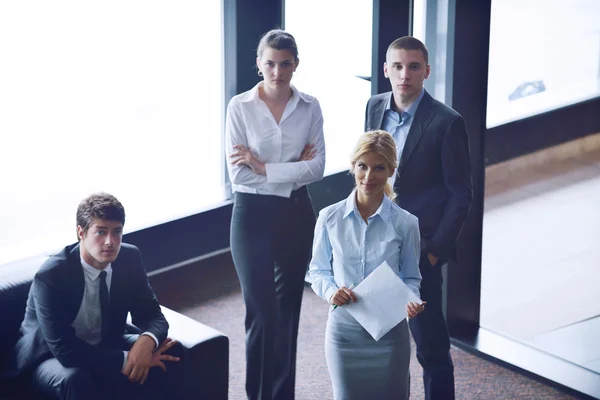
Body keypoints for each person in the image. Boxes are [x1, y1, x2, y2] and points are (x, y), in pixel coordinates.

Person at [365, 36, 473, 400]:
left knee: (430, 348)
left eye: (413, 67)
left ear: (427, 71)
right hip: (376, 241)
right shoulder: (374, 107)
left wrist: (433, 253)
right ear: (385, 70)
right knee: (376, 336)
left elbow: (461, 195)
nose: (404, 74)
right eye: (397, 66)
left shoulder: (447, 122)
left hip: (419, 248)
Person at [225, 29, 325, 400]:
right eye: (270, 63)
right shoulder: (240, 107)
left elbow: (317, 168)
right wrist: (289, 171)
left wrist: (264, 167)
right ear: (259, 63)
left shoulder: (310, 106)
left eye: (285, 64)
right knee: (261, 313)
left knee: (287, 315)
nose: (277, 71)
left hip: (297, 215)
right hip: (251, 217)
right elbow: (238, 174)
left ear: (295, 64)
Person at [14, 192, 180, 400]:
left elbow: (152, 315)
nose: (110, 242)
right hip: (48, 356)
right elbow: (65, 350)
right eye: (101, 232)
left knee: (171, 351)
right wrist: (129, 358)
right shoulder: (51, 276)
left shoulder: (129, 257)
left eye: (116, 232)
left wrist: (146, 342)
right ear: (81, 233)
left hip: (105, 342)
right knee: (75, 378)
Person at [307, 130, 425, 400]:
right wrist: (330, 291)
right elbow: (318, 270)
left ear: (391, 170)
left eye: (379, 168)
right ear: (353, 166)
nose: (369, 177)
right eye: (363, 166)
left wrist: (412, 300)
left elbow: (411, 278)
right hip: (343, 334)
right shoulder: (329, 217)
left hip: (389, 335)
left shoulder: (406, 223)